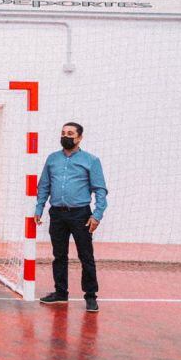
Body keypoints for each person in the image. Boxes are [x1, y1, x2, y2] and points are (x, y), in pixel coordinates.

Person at [34, 122, 108, 312]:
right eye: (63, 133)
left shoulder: (91, 160)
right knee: (59, 255)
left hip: (80, 214)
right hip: (57, 214)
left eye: (70, 133)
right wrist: (39, 208)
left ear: (79, 138)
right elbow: (43, 186)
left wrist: (97, 215)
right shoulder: (52, 159)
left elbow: (100, 190)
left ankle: (90, 296)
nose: (65, 136)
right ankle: (60, 293)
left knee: (86, 256)